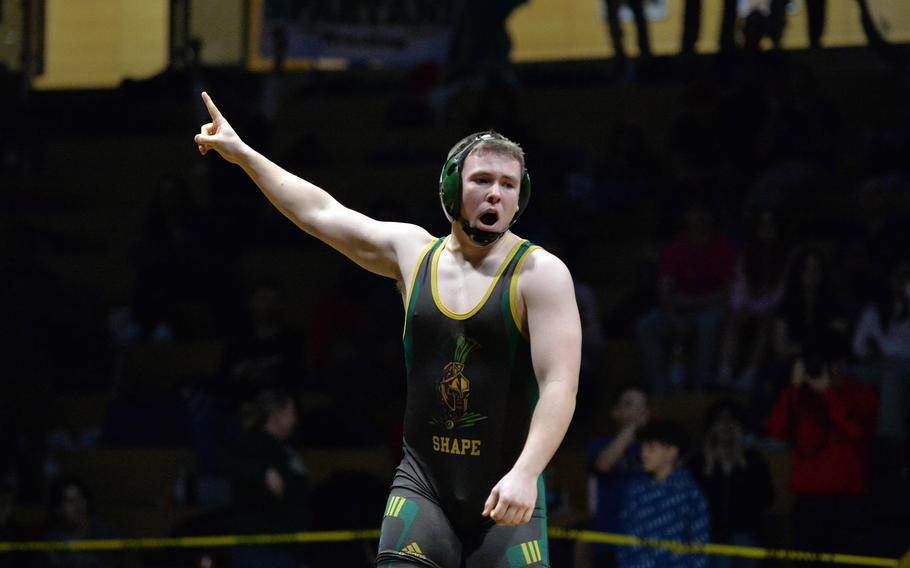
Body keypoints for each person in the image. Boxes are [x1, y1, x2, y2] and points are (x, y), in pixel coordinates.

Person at [194, 92, 581, 567]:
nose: (495, 194)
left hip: (508, 487)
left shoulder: (541, 274)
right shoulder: (413, 254)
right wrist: (244, 155)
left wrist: (527, 472)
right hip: (425, 488)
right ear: (451, 188)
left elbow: (560, 385)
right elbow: (321, 213)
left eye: (508, 184)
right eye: (482, 180)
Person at [766, 338, 878, 556]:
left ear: (844, 363)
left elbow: (857, 432)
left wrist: (827, 392)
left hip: (847, 501)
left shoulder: (862, 394)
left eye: (833, 363)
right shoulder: (800, 396)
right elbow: (776, 430)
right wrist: (793, 389)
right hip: (808, 502)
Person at [223, 389, 309, 568]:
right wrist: (262, 473)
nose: (295, 420)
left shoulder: (284, 449)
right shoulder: (251, 444)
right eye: (290, 413)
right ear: (276, 416)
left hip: (285, 547)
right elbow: (228, 464)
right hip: (260, 549)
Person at [691, 399, 774, 568]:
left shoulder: (753, 460)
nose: (726, 426)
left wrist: (742, 467)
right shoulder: (698, 462)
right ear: (711, 427)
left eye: (731, 421)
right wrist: (709, 469)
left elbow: (767, 499)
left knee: (743, 546)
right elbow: (691, 504)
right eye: (721, 421)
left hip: (746, 533)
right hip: (709, 533)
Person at [616, 420, 710, 568]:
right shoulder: (635, 489)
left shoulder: (690, 493)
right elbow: (624, 536)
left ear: (672, 452)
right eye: (642, 447)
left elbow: (699, 542)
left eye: (651, 448)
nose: (643, 453)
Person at [584, 385, 650, 567]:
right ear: (615, 412)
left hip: (644, 541)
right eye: (630, 404)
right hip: (610, 537)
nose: (638, 410)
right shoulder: (600, 445)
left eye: (642, 406)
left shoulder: (652, 449)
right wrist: (632, 428)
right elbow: (603, 465)